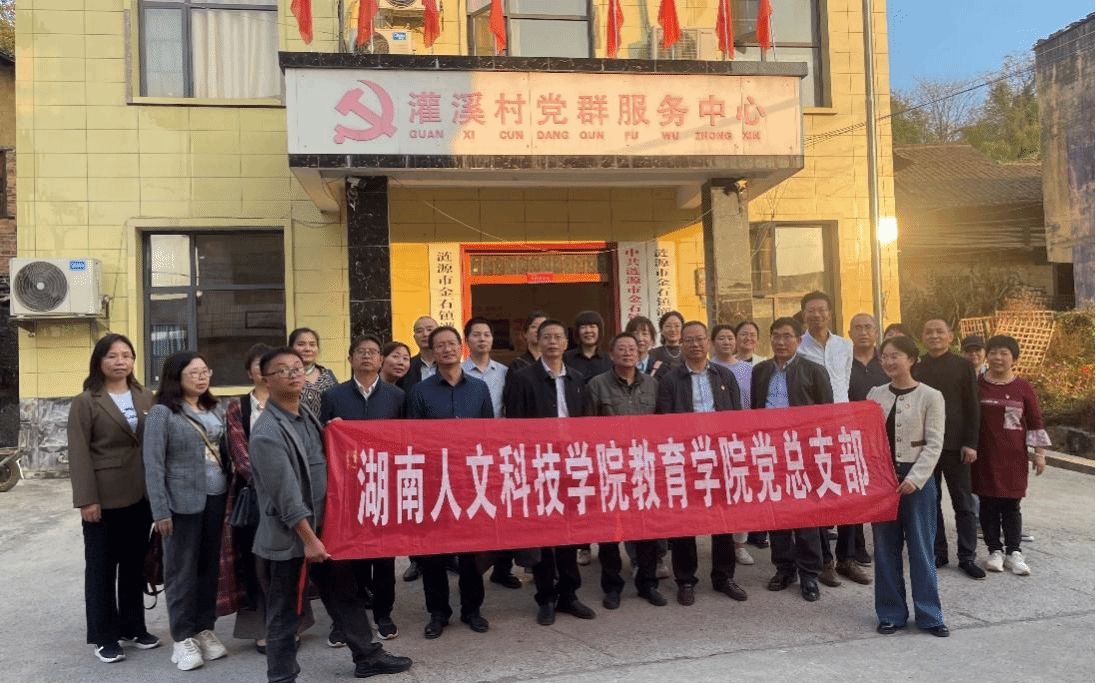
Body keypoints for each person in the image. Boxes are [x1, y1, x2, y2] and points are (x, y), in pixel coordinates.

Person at [249, 347, 412, 681]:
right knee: (284, 611)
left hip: (325, 529)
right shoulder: (266, 432)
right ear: (266, 380)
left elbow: (318, 458)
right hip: (292, 538)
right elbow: (285, 496)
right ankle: (281, 676)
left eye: (297, 367)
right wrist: (309, 539)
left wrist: (332, 433)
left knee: (345, 594)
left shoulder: (305, 415)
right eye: (283, 370)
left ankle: (367, 657)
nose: (293, 374)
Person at [68, 334, 160, 663]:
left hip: (140, 495)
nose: (120, 361)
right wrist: (86, 500)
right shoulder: (86, 401)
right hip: (103, 499)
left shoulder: (145, 396)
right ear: (99, 361)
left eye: (126, 355)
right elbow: (79, 453)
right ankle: (104, 636)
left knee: (134, 565)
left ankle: (134, 627)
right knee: (102, 569)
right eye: (112, 356)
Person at [504, 318, 597, 626]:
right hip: (538, 466)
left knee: (570, 532)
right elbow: (515, 426)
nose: (553, 342)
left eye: (558, 337)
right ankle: (545, 598)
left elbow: (585, 423)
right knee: (543, 533)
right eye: (547, 337)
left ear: (566, 343)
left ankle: (569, 594)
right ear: (538, 342)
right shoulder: (522, 378)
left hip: (571, 465)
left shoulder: (577, 378)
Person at [406, 326, 495, 638]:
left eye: (451, 343)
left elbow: (489, 434)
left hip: (470, 480)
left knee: (471, 551)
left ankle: (472, 609)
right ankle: (438, 613)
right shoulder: (420, 392)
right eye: (440, 345)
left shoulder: (479, 389)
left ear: (461, 347)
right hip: (434, 480)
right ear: (432, 352)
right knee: (433, 552)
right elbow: (413, 439)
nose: (446, 349)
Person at [143, 351, 230, 671]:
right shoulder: (162, 413)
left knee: (208, 568)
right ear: (175, 377)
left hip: (216, 497)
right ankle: (182, 638)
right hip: (180, 504)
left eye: (205, 371)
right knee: (180, 572)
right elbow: (153, 464)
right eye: (193, 373)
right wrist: (160, 511)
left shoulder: (215, 407)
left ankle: (204, 628)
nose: (201, 377)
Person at [225, 343, 313, 655]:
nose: (288, 373)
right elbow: (241, 455)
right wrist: (271, 481)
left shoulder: (298, 404)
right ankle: (265, 631)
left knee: (293, 562)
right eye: (261, 365)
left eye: (294, 368)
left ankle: (294, 626)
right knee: (259, 565)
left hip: (294, 494)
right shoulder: (240, 407)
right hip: (257, 497)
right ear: (256, 373)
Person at [318, 334, 405, 642]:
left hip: (385, 485)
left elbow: (407, 439)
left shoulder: (396, 396)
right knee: (348, 556)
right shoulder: (333, 396)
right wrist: (332, 430)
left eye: (373, 352)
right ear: (350, 358)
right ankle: (346, 619)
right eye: (361, 352)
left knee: (384, 555)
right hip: (348, 487)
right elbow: (322, 438)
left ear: (381, 360)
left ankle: (383, 614)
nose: (367, 356)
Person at [656, 321, 747, 607]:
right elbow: (664, 423)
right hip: (686, 457)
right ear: (681, 344)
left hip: (719, 456)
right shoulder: (670, 380)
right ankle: (685, 580)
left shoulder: (724, 375)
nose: (695, 344)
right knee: (685, 520)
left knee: (723, 517)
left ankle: (724, 577)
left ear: (708, 342)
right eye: (689, 340)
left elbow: (735, 416)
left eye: (699, 339)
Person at [868, 335, 950, 638]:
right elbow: (866, 437)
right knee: (885, 548)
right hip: (883, 480)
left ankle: (930, 615)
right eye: (885, 357)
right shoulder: (875, 394)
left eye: (896, 356)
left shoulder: (931, 396)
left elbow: (934, 443)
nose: (889, 362)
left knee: (921, 548)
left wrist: (915, 478)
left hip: (918, 481)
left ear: (912, 360)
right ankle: (891, 614)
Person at [752, 317, 833, 602]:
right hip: (771, 450)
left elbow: (826, 415)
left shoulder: (814, 371)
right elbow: (755, 410)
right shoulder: (760, 371)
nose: (781, 342)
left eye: (787, 336)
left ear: (799, 341)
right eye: (776, 336)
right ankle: (784, 568)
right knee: (777, 511)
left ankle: (809, 573)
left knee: (805, 512)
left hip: (803, 451)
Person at [583, 333, 666, 610]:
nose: (628, 352)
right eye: (622, 348)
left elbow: (663, 426)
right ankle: (612, 586)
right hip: (610, 468)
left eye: (632, 348)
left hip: (644, 467)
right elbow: (587, 429)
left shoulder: (653, 385)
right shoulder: (597, 385)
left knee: (646, 529)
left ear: (639, 353)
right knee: (610, 531)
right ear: (611, 354)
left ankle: (648, 583)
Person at [973, 336, 1051, 576]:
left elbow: (1035, 421)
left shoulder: (1023, 387)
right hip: (984, 455)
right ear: (987, 356)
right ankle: (994, 550)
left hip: (1014, 456)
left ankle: (1014, 552)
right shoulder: (977, 385)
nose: (998, 358)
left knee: (1011, 504)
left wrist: (1039, 453)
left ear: (1013, 359)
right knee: (987, 503)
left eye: (1004, 353)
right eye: (993, 353)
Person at [914, 319, 986, 580]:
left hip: (957, 446)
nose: (934, 336)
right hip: (925, 447)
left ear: (950, 336)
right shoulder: (917, 367)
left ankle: (967, 556)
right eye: (929, 332)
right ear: (922, 337)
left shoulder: (963, 366)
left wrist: (971, 443)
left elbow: (973, 407)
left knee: (963, 504)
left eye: (939, 332)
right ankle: (938, 552)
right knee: (930, 501)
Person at [461, 318, 521, 589]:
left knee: (503, 507)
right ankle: (471, 568)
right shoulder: (458, 372)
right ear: (467, 341)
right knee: (474, 509)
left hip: (500, 449)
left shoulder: (506, 373)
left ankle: (503, 568)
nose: (482, 339)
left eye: (486, 334)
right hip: (468, 450)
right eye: (476, 335)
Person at [837, 313, 889, 584]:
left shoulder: (887, 362)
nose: (863, 332)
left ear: (877, 332)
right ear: (849, 333)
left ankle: (884, 546)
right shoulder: (842, 363)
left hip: (884, 439)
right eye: (857, 328)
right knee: (853, 496)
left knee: (881, 494)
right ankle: (853, 550)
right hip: (850, 438)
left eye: (869, 327)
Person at [729, 320, 770, 552]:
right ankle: (740, 535)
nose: (748, 338)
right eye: (743, 334)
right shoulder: (727, 365)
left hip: (760, 430)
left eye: (753, 334)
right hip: (736, 431)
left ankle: (760, 530)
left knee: (760, 479)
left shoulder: (765, 363)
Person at [289, 328, 338, 417]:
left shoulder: (328, 375)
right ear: (290, 348)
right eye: (301, 344)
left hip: (325, 425)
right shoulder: (284, 376)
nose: (308, 349)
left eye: (312, 345)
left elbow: (337, 405)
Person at [564, 310, 612, 385]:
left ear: (599, 330)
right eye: (583, 327)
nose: (588, 331)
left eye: (592, 327)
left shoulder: (608, 359)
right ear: (577, 332)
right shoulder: (566, 358)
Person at [397, 316, 438, 391]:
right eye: (419, 331)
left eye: (429, 330)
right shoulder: (406, 366)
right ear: (414, 337)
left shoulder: (449, 364)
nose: (425, 334)